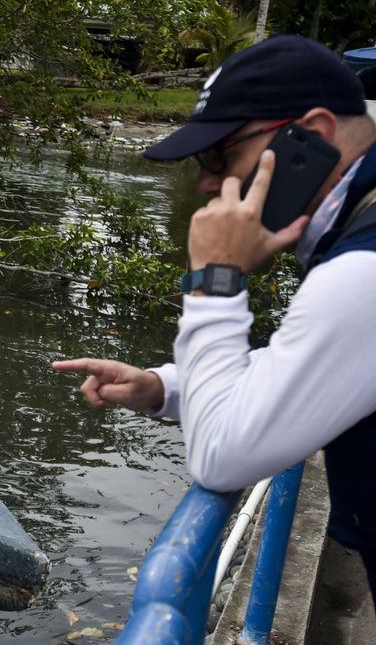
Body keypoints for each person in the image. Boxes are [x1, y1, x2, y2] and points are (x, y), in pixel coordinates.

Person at [52, 34, 376, 593]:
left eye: (219, 155)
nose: (205, 181)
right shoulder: (354, 235)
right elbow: (315, 365)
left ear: (313, 136)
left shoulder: (362, 269)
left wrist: (216, 279)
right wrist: (165, 388)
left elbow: (222, 456)